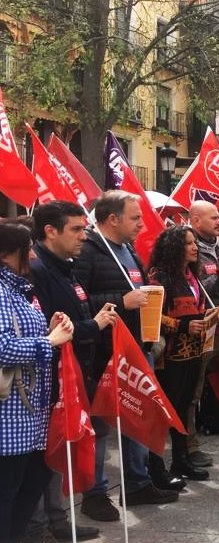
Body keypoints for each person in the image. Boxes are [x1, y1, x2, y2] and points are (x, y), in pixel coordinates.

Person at [75, 191, 180, 517]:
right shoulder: (88, 252)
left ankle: (137, 483)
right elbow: (77, 303)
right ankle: (95, 493)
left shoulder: (130, 250)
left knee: (139, 416)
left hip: (135, 347)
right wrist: (122, 301)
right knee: (101, 426)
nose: (141, 224)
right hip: (104, 352)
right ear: (111, 219)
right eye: (135, 218)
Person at [26, 202, 112, 542]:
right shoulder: (38, 270)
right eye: (76, 229)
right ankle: (39, 528)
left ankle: (58, 520)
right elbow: (52, 327)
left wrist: (95, 310)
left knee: (60, 449)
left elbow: (75, 305)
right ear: (50, 231)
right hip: (51, 377)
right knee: (44, 453)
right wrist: (94, 324)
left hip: (76, 373)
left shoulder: (67, 266)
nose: (83, 235)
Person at [0, 221, 75, 543]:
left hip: (30, 414)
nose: (32, 255)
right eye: (26, 249)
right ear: (6, 254)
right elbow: (2, 347)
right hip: (10, 416)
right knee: (9, 492)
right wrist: (50, 341)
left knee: (29, 487)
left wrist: (49, 329)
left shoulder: (18, 288)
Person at [147, 226, 210, 483]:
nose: (195, 247)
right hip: (171, 356)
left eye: (195, 242)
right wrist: (183, 325)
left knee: (184, 408)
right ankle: (156, 466)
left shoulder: (192, 276)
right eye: (188, 243)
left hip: (194, 352)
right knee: (166, 411)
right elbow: (151, 316)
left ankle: (181, 460)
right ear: (174, 247)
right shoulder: (159, 277)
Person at [189, 201, 219, 456]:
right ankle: (190, 449)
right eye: (213, 217)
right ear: (196, 220)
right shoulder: (189, 249)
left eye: (218, 216)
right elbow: (194, 288)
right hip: (205, 332)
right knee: (193, 393)